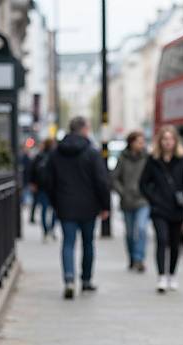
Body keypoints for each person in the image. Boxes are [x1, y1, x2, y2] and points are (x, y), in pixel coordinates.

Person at [47, 116, 110, 299]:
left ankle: (68, 279)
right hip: (89, 206)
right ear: (83, 129)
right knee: (88, 243)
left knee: (68, 243)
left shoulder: (56, 152)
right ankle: (86, 280)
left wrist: (55, 201)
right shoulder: (91, 152)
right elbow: (101, 181)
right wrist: (105, 205)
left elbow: (48, 181)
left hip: (65, 205)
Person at [140, 125, 183, 293]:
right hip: (159, 209)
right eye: (164, 139)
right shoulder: (153, 160)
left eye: (171, 139)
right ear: (160, 141)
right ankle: (161, 276)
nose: (168, 142)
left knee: (174, 244)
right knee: (162, 239)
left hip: (177, 209)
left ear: (175, 141)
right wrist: (154, 199)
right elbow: (143, 184)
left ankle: (172, 275)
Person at [112, 131, 149, 272]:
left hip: (142, 200)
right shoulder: (122, 158)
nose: (142, 144)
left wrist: (148, 192)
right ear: (131, 143)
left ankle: (139, 259)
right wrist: (123, 192)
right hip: (127, 201)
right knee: (129, 233)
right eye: (139, 141)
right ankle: (132, 258)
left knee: (141, 229)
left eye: (143, 141)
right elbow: (114, 178)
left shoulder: (147, 158)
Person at [29, 138, 57, 241]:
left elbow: (32, 171)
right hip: (54, 188)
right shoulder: (56, 156)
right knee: (55, 210)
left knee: (44, 210)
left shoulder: (39, 156)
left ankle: (45, 232)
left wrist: (33, 183)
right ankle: (52, 229)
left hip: (42, 187)